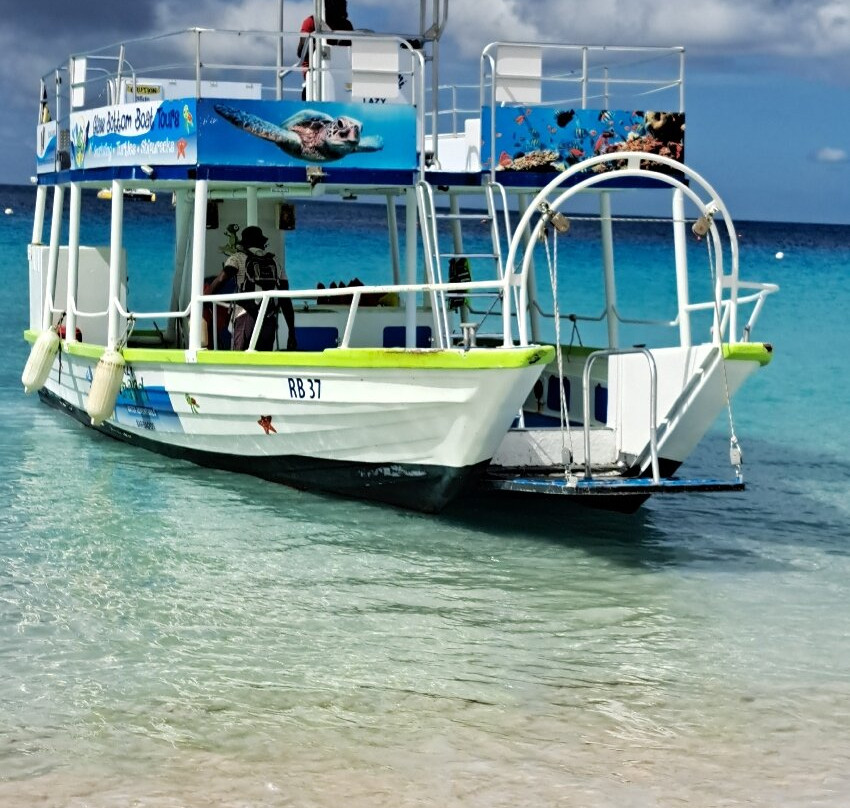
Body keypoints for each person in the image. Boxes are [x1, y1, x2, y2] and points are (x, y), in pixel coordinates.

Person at [208, 226, 297, 352]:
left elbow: (221, 279)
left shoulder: (237, 258)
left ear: (244, 244)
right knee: (263, 361)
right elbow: (285, 300)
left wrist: (204, 299)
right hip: (268, 320)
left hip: (245, 318)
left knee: (240, 361)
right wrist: (291, 333)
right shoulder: (275, 262)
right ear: (261, 243)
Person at [297, 0, 354, 99]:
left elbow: (351, 54)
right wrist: (316, 42)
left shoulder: (346, 26)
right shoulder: (311, 22)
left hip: (343, 79)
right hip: (313, 80)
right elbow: (301, 52)